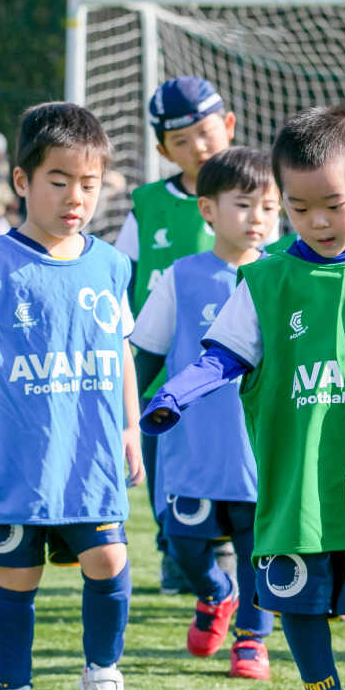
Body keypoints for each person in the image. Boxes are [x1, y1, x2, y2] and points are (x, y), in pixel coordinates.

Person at [142, 107, 345, 690]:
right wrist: (175, 394)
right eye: (299, 209)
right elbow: (223, 354)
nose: (318, 222)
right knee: (297, 601)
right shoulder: (264, 282)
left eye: (333, 205)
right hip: (295, 484)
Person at [0, 103, 144, 690]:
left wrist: (130, 426)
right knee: (19, 574)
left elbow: (120, 352)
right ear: (23, 181)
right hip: (12, 453)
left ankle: (104, 675)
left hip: (88, 453)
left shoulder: (111, 266)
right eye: (59, 181)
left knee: (110, 560)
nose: (74, 197)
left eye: (88, 185)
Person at [131, 147, 280, 679]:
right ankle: (215, 594)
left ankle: (251, 641)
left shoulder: (283, 276)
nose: (258, 218)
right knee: (185, 543)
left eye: (269, 206)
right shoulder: (181, 276)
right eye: (244, 205)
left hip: (260, 453)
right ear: (208, 210)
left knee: (258, 553)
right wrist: (126, 414)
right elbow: (145, 354)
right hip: (191, 450)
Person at [116, 75, 238, 595]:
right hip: (162, 370)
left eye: (206, 132)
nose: (198, 148)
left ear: (228, 126)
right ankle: (174, 551)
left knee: (235, 462)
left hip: (233, 372)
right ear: (164, 149)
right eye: (181, 141)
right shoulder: (146, 205)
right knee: (166, 463)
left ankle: (232, 555)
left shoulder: (256, 195)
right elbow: (119, 275)